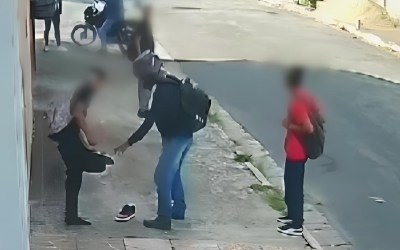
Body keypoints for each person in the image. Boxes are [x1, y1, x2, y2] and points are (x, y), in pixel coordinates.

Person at [114, 59, 193, 231]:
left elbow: (149, 121)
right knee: (175, 172)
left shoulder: (162, 92)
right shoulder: (172, 82)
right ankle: (178, 211)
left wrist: (128, 142)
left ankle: (164, 218)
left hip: (176, 139)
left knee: (162, 177)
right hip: (186, 137)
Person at [48, 68, 114, 225]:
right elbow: (78, 114)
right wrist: (90, 136)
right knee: (77, 168)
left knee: (74, 171)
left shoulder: (82, 87)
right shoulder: (87, 89)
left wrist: (94, 129)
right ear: (98, 80)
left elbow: (81, 112)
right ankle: (71, 216)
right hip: (64, 130)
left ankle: (71, 215)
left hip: (61, 128)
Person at [277, 67, 321, 236]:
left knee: (294, 186)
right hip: (298, 150)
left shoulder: (297, 102)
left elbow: (308, 127)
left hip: (297, 151)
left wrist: (289, 125)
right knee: (290, 183)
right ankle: (291, 215)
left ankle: (296, 224)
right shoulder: (306, 95)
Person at [126, 1, 155, 118]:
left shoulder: (147, 23)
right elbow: (137, 40)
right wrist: (139, 56)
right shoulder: (143, 24)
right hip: (144, 57)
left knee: (146, 81)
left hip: (147, 55)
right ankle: (143, 108)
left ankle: (145, 106)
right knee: (144, 82)